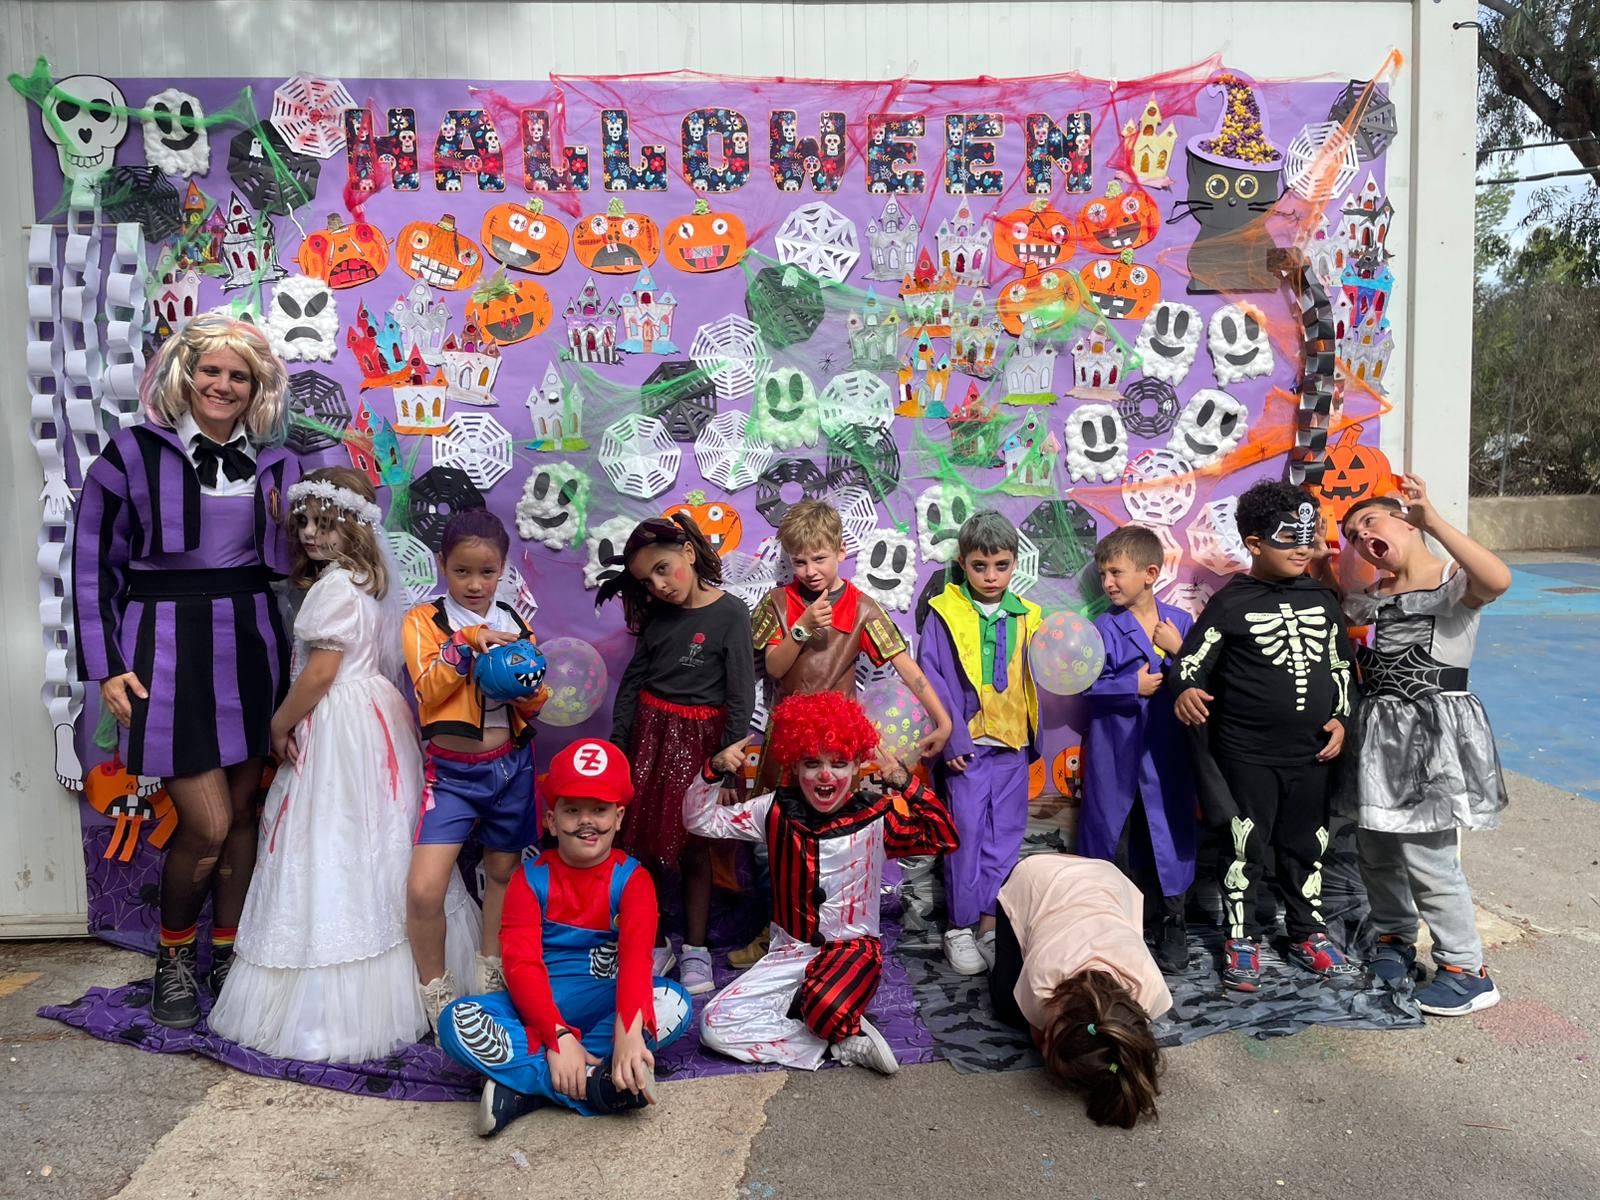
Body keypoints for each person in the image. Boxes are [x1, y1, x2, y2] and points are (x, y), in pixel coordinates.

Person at [73, 314, 298, 1028]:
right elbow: (91, 566)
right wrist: (107, 666)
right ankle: (172, 958)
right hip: (163, 645)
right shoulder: (130, 453)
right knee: (207, 824)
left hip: (253, 641)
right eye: (212, 371)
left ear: (257, 389)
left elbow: (306, 561)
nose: (223, 385)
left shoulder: (280, 464)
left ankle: (227, 955)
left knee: (243, 818)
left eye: (240, 376)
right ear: (185, 374)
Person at [209, 469, 479, 1060]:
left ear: (353, 526)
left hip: (338, 719)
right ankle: (413, 980)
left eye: (324, 523)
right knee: (377, 837)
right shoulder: (364, 581)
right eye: (303, 522)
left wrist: (279, 724)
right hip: (375, 718)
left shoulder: (334, 588)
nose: (310, 533)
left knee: (329, 831)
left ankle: (337, 1002)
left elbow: (321, 673)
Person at [686, 691, 959, 1075]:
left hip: (851, 950)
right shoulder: (772, 809)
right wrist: (712, 772)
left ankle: (828, 1016)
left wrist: (904, 782)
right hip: (789, 953)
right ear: (795, 764)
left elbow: (944, 836)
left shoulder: (877, 816)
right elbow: (699, 821)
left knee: (825, 1006)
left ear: (857, 764)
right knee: (713, 1026)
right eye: (812, 763)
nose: (825, 775)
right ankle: (837, 1035)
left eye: (839, 763)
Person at [436, 739, 693, 1135]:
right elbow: (521, 966)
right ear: (552, 821)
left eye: (599, 809)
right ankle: (595, 1085)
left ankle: (526, 1087)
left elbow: (636, 961)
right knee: (456, 1020)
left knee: (674, 1003)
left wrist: (627, 1033)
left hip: (602, 1002)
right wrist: (557, 1038)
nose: (586, 821)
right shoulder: (528, 879)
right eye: (572, 810)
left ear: (619, 818)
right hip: (535, 1010)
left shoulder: (634, 880)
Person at [740, 500, 953, 966]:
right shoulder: (777, 603)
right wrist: (800, 629)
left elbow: (907, 668)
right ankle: (774, 932)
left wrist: (944, 721)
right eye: (799, 561)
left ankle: (835, 934)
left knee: (838, 843)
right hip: (786, 743)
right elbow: (773, 669)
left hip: (838, 747)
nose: (810, 570)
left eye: (819, 558)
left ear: (840, 551)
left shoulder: (861, 607)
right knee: (773, 840)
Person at [1171, 479, 1360, 992]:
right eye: (1290, 538)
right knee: (1243, 847)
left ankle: (1308, 933)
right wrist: (1186, 691)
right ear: (1254, 544)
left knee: (1307, 847)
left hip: (1313, 756)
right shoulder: (1231, 603)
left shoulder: (1322, 600)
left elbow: (1342, 667)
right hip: (1248, 757)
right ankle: (1241, 937)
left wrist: (1343, 719)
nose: (1303, 548)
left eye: (1309, 536)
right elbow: (1190, 664)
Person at [1337, 476, 1509, 1016]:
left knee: (1428, 858)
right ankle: (1394, 940)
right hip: (1378, 738)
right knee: (1376, 851)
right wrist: (1326, 558)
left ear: (1406, 522)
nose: (1362, 537)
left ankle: (1465, 968)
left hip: (1429, 739)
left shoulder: (1453, 581)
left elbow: (1498, 578)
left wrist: (1433, 518)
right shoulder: (1375, 596)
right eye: (1352, 535)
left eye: (1370, 522)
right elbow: (1340, 609)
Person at [597, 514, 756, 995]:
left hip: (701, 746)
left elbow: (741, 694)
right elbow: (632, 684)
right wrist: (620, 748)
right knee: (642, 843)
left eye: (663, 569)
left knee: (693, 848)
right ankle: (655, 941)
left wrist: (727, 771)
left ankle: (697, 949)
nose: (660, 585)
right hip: (650, 738)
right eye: (648, 580)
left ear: (688, 551)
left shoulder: (731, 614)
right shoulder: (658, 616)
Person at [403, 509, 548, 1030]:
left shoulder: (516, 622)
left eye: (487, 572)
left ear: (503, 569)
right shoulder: (424, 620)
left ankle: (491, 974)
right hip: (451, 775)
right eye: (461, 571)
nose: (474, 584)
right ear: (442, 564)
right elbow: (427, 689)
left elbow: (534, 701)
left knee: (502, 874)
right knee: (424, 889)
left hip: (510, 767)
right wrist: (466, 643)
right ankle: (436, 994)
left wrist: (529, 688)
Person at [917, 511, 1042, 976]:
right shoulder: (945, 613)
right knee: (965, 834)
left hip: (1011, 743)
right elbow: (932, 677)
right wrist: (952, 741)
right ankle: (960, 926)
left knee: (1005, 837)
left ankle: (991, 924)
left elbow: (1039, 676)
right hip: (967, 747)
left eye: (1001, 565)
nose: (991, 576)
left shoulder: (1029, 615)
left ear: (1014, 564)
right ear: (963, 564)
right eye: (980, 566)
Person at [1080, 526, 1196, 975]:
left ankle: (1172, 923)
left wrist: (1179, 652)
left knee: (1168, 835)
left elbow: (1205, 678)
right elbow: (1084, 686)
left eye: (1116, 572)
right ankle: (1116, 926)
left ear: (1150, 574)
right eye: (1102, 574)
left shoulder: (1180, 623)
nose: (1107, 582)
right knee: (1118, 837)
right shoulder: (1102, 629)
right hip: (1116, 750)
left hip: (1167, 751)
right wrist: (1132, 685)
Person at [989, 854, 1170, 1129]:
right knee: (1008, 1008)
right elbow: (1036, 1033)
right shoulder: (1042, 981)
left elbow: (1118, 1047)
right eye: (1048, 1040)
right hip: (1036, 876)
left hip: (1108, 880)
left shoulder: (1150, 989)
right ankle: (993, 941)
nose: (1042, 1048)